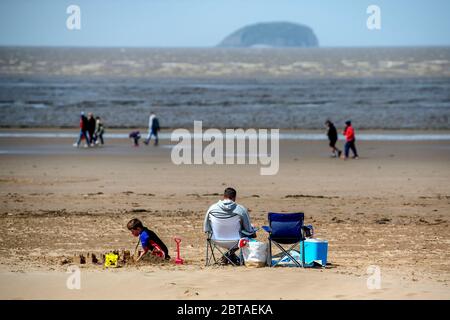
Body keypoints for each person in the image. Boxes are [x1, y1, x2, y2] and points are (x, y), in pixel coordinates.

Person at [203, 187, 257, 264]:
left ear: (223, 196)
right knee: (252, 234)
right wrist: (253, 229)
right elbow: (248, 230)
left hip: (216, 240)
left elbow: (206, 228)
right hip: (236, 241)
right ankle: (230, 255)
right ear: (234, 197)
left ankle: (229, 255)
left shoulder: (212, 208)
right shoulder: (240, 209)